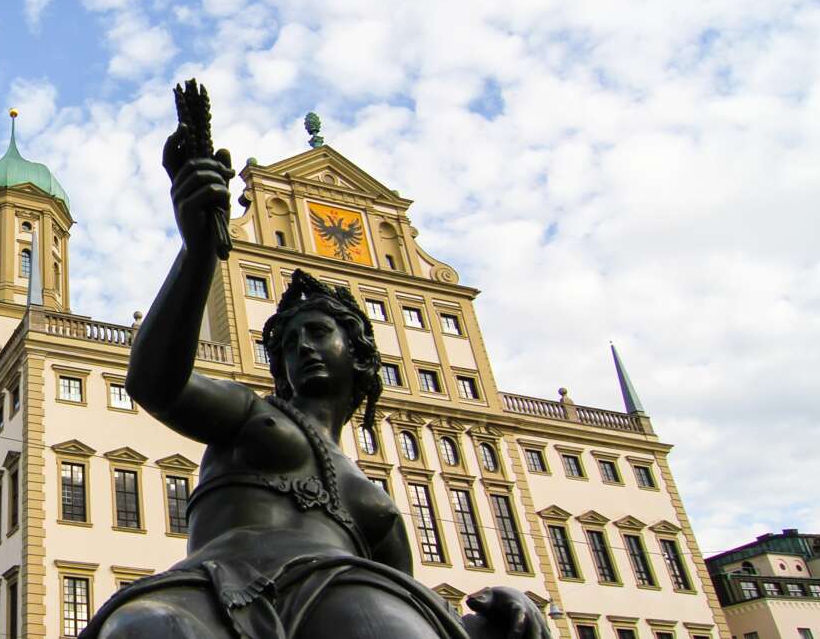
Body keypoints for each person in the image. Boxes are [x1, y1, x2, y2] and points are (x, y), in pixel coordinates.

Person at [81, 86, 549, 639]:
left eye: (319, 332)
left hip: (345, 591)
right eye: (288, 341)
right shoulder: (253, 414)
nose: (302, 345)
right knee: (149, 630)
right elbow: (154, 383)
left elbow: (414, 602)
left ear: (362, 358)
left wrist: (503, 614)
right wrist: (199, 251)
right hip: (221, 587)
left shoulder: (380, 508)